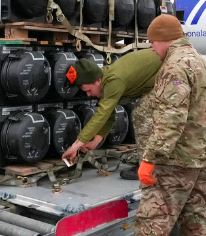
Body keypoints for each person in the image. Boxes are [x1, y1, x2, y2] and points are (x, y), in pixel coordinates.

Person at [98, 15, 206, 236]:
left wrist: (150, 157)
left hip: (174, 161)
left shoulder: (175, 66)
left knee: (153, 223)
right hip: (200, 158)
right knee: (197, 221)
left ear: (165, 39)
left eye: (153, 43)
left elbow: (171, 117)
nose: (152, 49)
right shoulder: (204, 64)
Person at [61, 49, 163, 180]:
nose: (88, 94)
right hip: (157, 79)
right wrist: (94, 142)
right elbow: (109, 115)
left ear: (97, 81)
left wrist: (75, 146)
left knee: (141, 115)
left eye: (89, 90)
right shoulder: (105, 80)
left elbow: (102, 114)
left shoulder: (113, 81)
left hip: (169, 73)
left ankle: (149, 167)